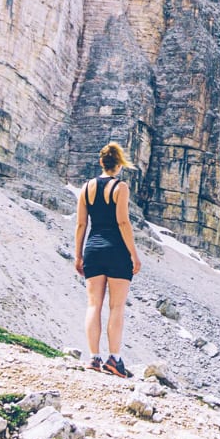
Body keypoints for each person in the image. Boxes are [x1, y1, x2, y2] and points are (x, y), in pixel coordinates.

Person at [75, 141, 142, 377]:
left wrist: (78, 255)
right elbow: (123, 222)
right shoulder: (120, 187)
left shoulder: (86, 188)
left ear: (101, 162)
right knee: (116, 306)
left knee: (94, 305)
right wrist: (134, 254)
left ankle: (94, 358)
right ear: (119, 164)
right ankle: (114, 359)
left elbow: (81, 223)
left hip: (93, 249)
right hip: (116, 250)